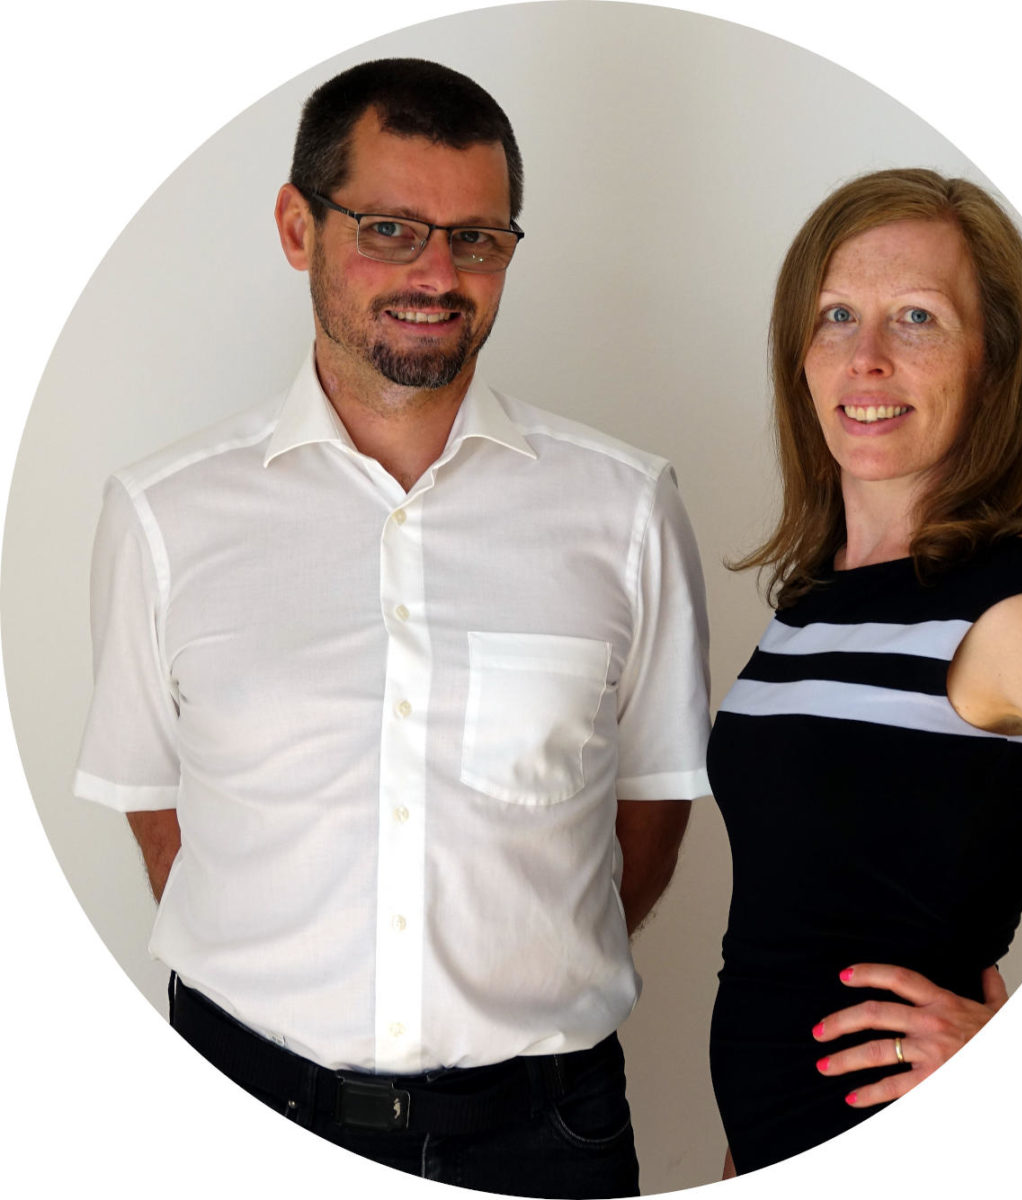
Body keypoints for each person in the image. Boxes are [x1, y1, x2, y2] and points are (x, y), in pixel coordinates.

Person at [72, 58, 711, 1198]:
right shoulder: (161, 514)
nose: (435, 273)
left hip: (540, 1133)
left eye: (476, 239)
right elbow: (162, 807)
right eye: (389, 228)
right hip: (237, 1100)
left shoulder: (623, 507)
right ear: (294, 225)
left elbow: (652, 802)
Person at [706, 168, 1022, 1176]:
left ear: (992, 365)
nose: (863, 358)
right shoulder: (810, 609)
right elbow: (792, 928)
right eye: (834, 316)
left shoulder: (1012, 615)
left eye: (915, 317)